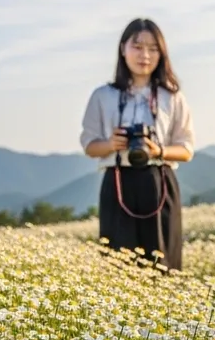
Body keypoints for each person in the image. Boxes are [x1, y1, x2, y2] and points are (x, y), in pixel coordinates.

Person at [80, 18, 195, 270]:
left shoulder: (172, 96)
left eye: (153, 49)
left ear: (162, 54)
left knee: (162, 264)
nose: (145, 55)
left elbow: (186, 149)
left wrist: (159, 150)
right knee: (118, 264)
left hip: (159, 180)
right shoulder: (103, 96)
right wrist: (112, 144)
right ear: (123, 48)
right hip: (118, 179)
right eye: (138, 46)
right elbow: (89, 145)